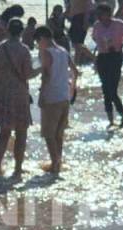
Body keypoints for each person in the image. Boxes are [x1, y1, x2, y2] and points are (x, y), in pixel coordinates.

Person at [0, 18, 33, 178]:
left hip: (1, 92)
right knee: (21, 133)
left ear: (7, 30)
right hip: (19, 94)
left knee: (3, 133)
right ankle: (18, 169)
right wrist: (42, 70)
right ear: (22, 31)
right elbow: (26, 74)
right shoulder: (24, 50)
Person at [33, 26, 75, 174]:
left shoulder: (46, 52)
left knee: (49, 134)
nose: (38, 45)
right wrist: (72, 89)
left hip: (51, 97)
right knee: (59, 134)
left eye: (38, 41)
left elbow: (46, 76)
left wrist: (41, 96)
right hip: (64, 97)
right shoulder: (63, 51)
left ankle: (55, 163)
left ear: (42, 38)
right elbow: (74, 70)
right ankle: (58, 161)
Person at [90, 3, 123, 129]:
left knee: (113, 90)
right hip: (102, 58)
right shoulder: (97, 25)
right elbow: (95, 38)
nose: (99, 16)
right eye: (98, 14)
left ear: (108, 14)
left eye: (101, 14)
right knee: (105, 90)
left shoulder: (118, 24)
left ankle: (122, 117)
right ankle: (111, 120)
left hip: (115, 57)